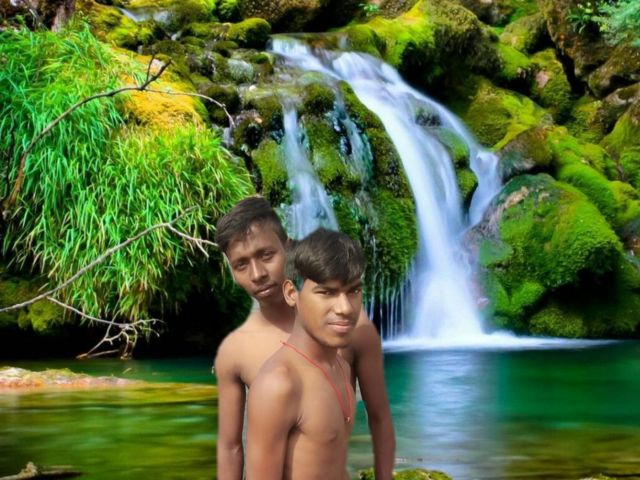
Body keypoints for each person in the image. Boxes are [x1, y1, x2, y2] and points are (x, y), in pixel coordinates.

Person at [214, 196, 394, 480]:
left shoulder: (351, 329)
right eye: (241, 265)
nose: (257, 274)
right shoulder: (236, 350)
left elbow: (380, 418)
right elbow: (230, 447)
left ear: (288, 246)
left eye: (266, 255)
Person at [246, 228, 364, 479]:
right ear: (292, 294)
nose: (345, 308)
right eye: (326, 292)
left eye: (353, 291)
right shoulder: (279, 384)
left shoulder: (341, 367)